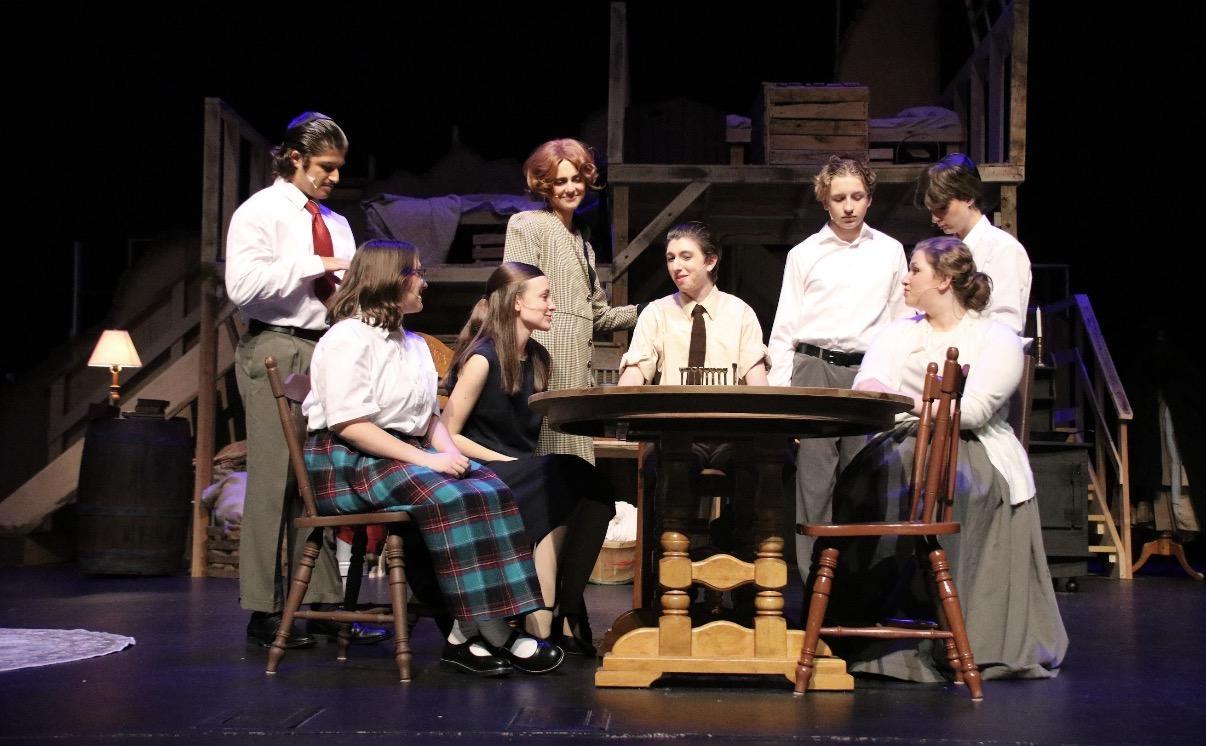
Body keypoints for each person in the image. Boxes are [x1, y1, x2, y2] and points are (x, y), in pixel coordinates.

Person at [302, 240, 564, 677]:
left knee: (490, 487)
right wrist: (428, 462)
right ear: (391, 280)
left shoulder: (412, 344)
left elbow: (428, 420)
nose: (424, 282)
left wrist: (452, 456)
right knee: (452, 497)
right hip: (348, 461)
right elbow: (350, 425)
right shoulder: (347, 338)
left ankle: (469, 632)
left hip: (399, 454)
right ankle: (492, 631)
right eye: (416, 273)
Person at [832, 235, 1067, 681]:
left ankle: (962, 637)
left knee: (955, 485)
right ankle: (878, 635)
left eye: (915, 270)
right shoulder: (898, 333)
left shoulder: (995, 338)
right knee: (865, 483)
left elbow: (972, 412)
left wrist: (907, 401)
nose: (905, 279)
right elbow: (869, 386)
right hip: (900, 443)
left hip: (972, 449)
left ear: (943, 281)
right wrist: (912, 405)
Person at [225, 112, 386, 648]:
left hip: (327, 348)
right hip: (277, 343)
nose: (335, 177)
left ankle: (318, 606)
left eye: (339, 167)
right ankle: (265, 609)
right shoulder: (260, 212)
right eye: (326, 166)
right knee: (276, 479)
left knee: (317, 480)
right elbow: (243, 287)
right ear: (295, 158)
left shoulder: (336, 222)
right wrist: (313, 263)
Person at [441, 262, 615, 656]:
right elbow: (448, 434)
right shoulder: (483, 358)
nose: (553, 305)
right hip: (479, 472)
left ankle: (564, 609)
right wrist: (503, 460)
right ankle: (543, 615)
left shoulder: (537, 358)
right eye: (545, 297)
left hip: (523, 472)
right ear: (517, 303)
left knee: (597, 488)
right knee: (564, 476)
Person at [766, 156, 908, 580]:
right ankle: (816, 583)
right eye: (839, 198)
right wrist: (783, 398)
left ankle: (856, 582)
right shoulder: (804, 254)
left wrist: (896, 388)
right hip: (814, 369)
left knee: (862, 478)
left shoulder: (889, 251)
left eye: (857, 197)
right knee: (814, 482)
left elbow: (901, 324)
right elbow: (785, 328)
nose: (848, 206)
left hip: (867, 373)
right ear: (824, 201)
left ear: (870, 199)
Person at [502, 138, 638, 464]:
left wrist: (651, 310)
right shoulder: (528, 225)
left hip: (576, 377)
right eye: (560, 181)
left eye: (576, 179)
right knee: (548, 467)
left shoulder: (583, 244)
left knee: (575, 468)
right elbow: (512, 296)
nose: (570, 188)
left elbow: (598, 316)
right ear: (545, 185)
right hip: (543, 369)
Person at [917, 153, 1032, 334]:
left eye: (942, 208)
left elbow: (1006, 324)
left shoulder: (1003, 248)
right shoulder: (945, 250)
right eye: (931, 210)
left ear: (968, 197)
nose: (935, 218)